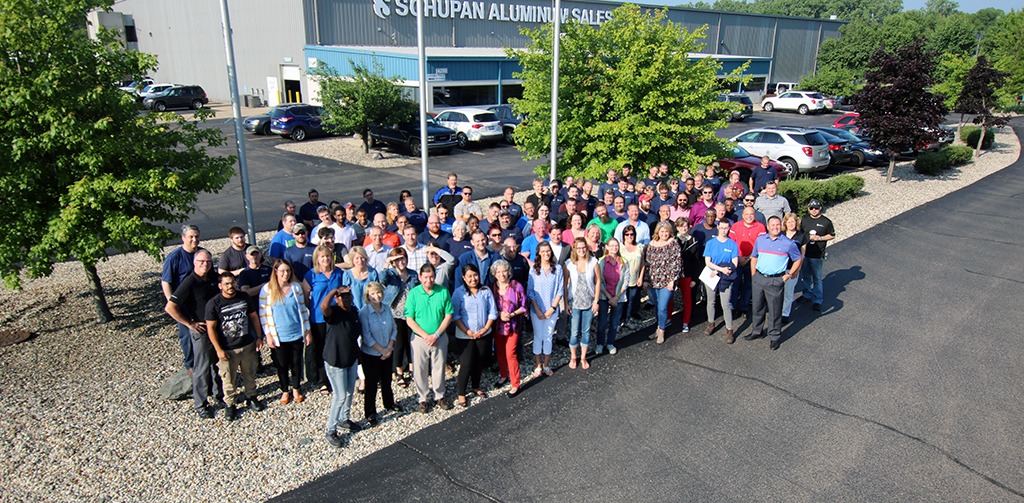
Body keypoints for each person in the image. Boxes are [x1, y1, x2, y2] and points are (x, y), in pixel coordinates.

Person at [164, 249, 221, 419]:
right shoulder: (189, 282)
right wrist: (189, 323)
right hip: (202, 330)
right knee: (202, 368)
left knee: (216, 364)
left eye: (208, 262)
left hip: (218, 327)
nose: (206, 265)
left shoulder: (213, 278)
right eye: (202, 262)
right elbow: (170, 307)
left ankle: (219, 395)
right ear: (195, 263)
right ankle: (201, 403)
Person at [205, 273, 265, 421]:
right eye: (226, 284)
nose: (230, 286)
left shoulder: (244, 297)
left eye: (232, 283)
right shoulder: (214, 303)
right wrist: (218, 349)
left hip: (247, 344)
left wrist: (259, 336)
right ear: (220, 286)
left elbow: (253, 317)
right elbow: (211, 328)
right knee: (228, 379)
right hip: (227, 348)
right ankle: (230, 404)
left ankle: (251, 396)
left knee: (250, 373)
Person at [746, 216, 803, 351]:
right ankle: (757, 331)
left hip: (775, 280)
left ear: (781, 226)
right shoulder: (760, 240)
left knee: (775, 310)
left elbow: (798, 259)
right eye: (772, 225)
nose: (775, 227)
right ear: (768, 226)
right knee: (757, 307)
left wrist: (788, 275)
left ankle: (774, 336)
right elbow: (754, 257)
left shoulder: (788, 243)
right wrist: (753, 274)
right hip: (759, 278)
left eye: (778, 225)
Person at [259, 259, 311, 405]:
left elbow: (302, 310)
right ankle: (284, 390)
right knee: (282, 364)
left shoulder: (296, 287)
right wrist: (267, 335)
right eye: (282, 271)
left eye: (288, 270)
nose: (285, 274)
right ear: (275, 272)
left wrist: (307, 331)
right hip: (278, 335)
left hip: (296, 332)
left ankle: (296, 388)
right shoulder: (267, 289)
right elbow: (263, 314)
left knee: (296, 362)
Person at [405, 263, 455, 413]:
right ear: (420, 277)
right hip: (420, 338)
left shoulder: (443, 292)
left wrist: (437, 334)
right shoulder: (413, 293)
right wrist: (426, 335)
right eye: (425, 277)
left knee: (439, 367)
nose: (429, 280)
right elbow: (409, 319)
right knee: (420, 369)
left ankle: (439, 395)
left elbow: (448, 315)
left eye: (432, 276)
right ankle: (423, 398)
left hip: (439, 336)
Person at [320, 287, 363, 447]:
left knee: (350, 391)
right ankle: (330, 430)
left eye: (347, 296)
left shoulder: (353, 311)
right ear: (337, 299)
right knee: (340, 396)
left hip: (351, 358)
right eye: (341, 297)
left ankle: (344, 419)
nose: (345, 299)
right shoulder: (334, 312)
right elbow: (323, 307)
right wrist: (333, 291)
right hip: (335, 360)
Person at [451, 263, 497, 407]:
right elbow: (455, 315)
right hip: (465, 335)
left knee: (479, 361)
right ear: (464, 278)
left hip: (484, 333)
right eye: (469, 276)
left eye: (475, 275)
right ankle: (461, 393)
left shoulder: (486, 291)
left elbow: (492, 312)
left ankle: (475, 386)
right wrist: (467, 331)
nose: (473, 279)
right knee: (466, 363)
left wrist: (485, 328)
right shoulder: (459, 293)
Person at [303, 245, 343, 395]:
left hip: (336, 317)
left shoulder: (339, 273)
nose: (325, 259)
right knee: (320, 348)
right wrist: (313, 307)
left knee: (335, 347)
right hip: (318, 318)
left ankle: (336, 377)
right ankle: (323, 380)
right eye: (322, 257)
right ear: (317, 259)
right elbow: (305, 295)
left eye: (327, 256)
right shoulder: (311, 275)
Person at [161, 224, 201, 371]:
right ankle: (190, 368)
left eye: (196, 236)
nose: (194, 240)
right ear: (183, 238)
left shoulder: (202, 254)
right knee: (187, 336)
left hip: (200, 302)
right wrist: (172, 302)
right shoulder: (174, 258)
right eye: (191, 237)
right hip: (183, 304)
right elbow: (166, 282)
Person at [358, 281, 398, 426]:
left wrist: (389, 347)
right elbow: (366, 336)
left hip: (388, 351)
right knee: (371, 384)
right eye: (373, 294)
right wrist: (381, 350)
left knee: (387, 381)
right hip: (371, 354)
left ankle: (389, 403)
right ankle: (370, 412)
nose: (377, 296)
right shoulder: (364, 312)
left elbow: (394, 328)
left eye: (378, 292)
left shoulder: (387, 308)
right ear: (368, 296)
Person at [381, 248, 419, 388]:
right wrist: (387, 263)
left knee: (412, 342)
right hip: (395, 313)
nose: (400, 262)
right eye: (397, 259)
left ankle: (412, 367)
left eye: (402, 258)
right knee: (399, 344)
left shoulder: (413, 274)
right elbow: (381, 279)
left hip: (411, 313)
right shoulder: (390, 274)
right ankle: (398, 371)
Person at [527, 241, 564, 377]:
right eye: (543, 251)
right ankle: (538, 365)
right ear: (538, 253)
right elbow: (530, 291)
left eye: (548, 251)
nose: (546, 254)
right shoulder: (533, 269)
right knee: (538, 336)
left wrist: (552, 308)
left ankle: (546, 364)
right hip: (536, 309)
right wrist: (537, 309)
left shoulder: (558, 268)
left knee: (548, 337)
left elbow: (560, 290)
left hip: (551, 309)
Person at [490, 259, 526, 396]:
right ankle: (504, 375)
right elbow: (489, 306)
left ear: (509, 271)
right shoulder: (492, 288)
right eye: (498, 272)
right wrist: (499, 314)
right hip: (498, 326)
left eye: (504, 271)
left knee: (510, 353)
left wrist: (511, 314)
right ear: (494, 273)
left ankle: (515, 383)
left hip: (513, 325)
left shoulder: (516, 286)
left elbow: (524, 306)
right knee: (500, 352)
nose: (502, 274)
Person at [565, 237, 600, 369]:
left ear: (586, 248)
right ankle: (573, 357)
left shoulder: (593, 262)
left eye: (583, 247)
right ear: (574, 249)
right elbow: (564, 285)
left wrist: (596, 301)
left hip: (588, 303)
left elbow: (597, 283)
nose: (581, 250)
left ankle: (583, 357)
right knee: (574, 332)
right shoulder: (569, 263)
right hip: (574, 303)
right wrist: (566, 303)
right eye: (578, 248)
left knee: (586, 331)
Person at [643, 222, 681, 344]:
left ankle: (662, 330)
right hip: (653, 281)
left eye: (666, 231)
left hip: (667, 281)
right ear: (657, 232)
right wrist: (645, 280)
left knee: (663, 306)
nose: (664, 234)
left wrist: (672, 280)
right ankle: (658, 327)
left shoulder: (673, 244)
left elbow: (677, 263)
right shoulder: (651, 244)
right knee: (657, 306)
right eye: (662, 231)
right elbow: (647, 264)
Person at [703, 220, 740, 343]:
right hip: (712, 275)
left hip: (726, 277)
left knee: (726, 304)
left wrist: (722, 271)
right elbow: (708, 262)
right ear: (718, 227)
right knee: (711, 301)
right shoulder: (710, 243)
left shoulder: (732, 244)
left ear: (729, 228)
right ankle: (711, 323)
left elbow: (735, 263)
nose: (724, 230)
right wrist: (719, 270)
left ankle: (729, 329)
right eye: (722, 228)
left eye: (726, 228)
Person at [729, 206, 767, 317]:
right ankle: (733, 307)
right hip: (737, 259)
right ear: (742, 215)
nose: (749, 216)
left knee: (748, 284)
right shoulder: (735, 226)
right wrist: (739, 257)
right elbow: (732, 243)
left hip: (752, 260)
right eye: (747, 214)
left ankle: (744, 307)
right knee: (735, 284)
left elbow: (760, 245)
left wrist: (750, 258)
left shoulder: (760, 227)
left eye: (751, 214)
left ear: (754, 215)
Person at [799, 199, 835, 312]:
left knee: (817, 278)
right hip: (805, 253)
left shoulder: (826, 222)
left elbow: (832, 235)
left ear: (820, 208)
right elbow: (800, 234)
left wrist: (819, 238)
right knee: (805, 276)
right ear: (808, 208)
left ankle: (817, 300)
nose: (814, 210)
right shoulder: (804, 220)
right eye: (811, 208)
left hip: (817, 254)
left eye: (816, 208)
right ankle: (806, 295)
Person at [596, 238, 629, 355]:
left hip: (618, 296)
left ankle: (610, 343)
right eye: (612, 245)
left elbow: (626, 281)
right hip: (605, 296)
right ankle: (600, 343)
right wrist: (610, 297)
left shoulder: (624, 262)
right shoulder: (601, 261)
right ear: (607, 247)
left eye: (616, 245)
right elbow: (599, 281)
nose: (614, 248)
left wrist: (617, 296)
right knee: (602, 322)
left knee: (614, 322)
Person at [674, 219, 702, 334]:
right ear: (677, 228)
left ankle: (686, 322)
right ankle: (668, 319)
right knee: (670, 300)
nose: (683, 229)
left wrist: (695, 279)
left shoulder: (694, 241)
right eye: (681, 227)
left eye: (685, 226)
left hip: (688, 275)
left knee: (688, 300)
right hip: (674, 275)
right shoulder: (673, 240)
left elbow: (697, 262)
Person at [781, 212, 808, 324]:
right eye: (789, 221)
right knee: (778, 292)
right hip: (780, 268)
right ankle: (776, 312)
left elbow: (802, 254)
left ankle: (785, 314)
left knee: (788, 292)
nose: (791, 224)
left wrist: (798, 269)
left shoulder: (801, 237)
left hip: (792, 268)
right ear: (785, 223)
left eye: (793, 221)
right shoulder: (780, 234)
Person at [342, 246, 381, 312]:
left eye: (362, 258)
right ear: (352, 260)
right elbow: (345, 295)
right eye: (357, 258)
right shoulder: (347, 275)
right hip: (354, 311)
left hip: (371, 310)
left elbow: (378, 291)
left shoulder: (373, 273)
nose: (360, 261)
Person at [619, 225, 645, 321]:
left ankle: (627, 319)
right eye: (627, 234)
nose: (629, 236)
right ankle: (619, 320)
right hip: (622, 280)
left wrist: (641, 277)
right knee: (621, 301)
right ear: (623, 235)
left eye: (632, 234)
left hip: (634, 279)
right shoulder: (620, 247)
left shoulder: (639, 247)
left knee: (631, 301)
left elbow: (642, 263)